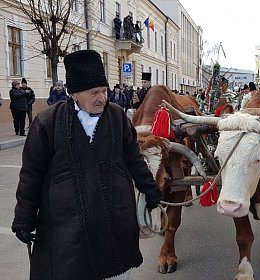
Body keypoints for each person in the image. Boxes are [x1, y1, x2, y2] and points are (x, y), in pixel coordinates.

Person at [11, 50, 161, 280]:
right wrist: (24, 216)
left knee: (117, 272)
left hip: (114, 219)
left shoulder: (117, 116)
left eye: (104, 91)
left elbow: (133, 159)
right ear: (75, 94)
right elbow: (31, 174)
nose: (102, 98)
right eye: (94, 93)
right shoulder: (48, 123)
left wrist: (151, 190)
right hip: (68, 226)